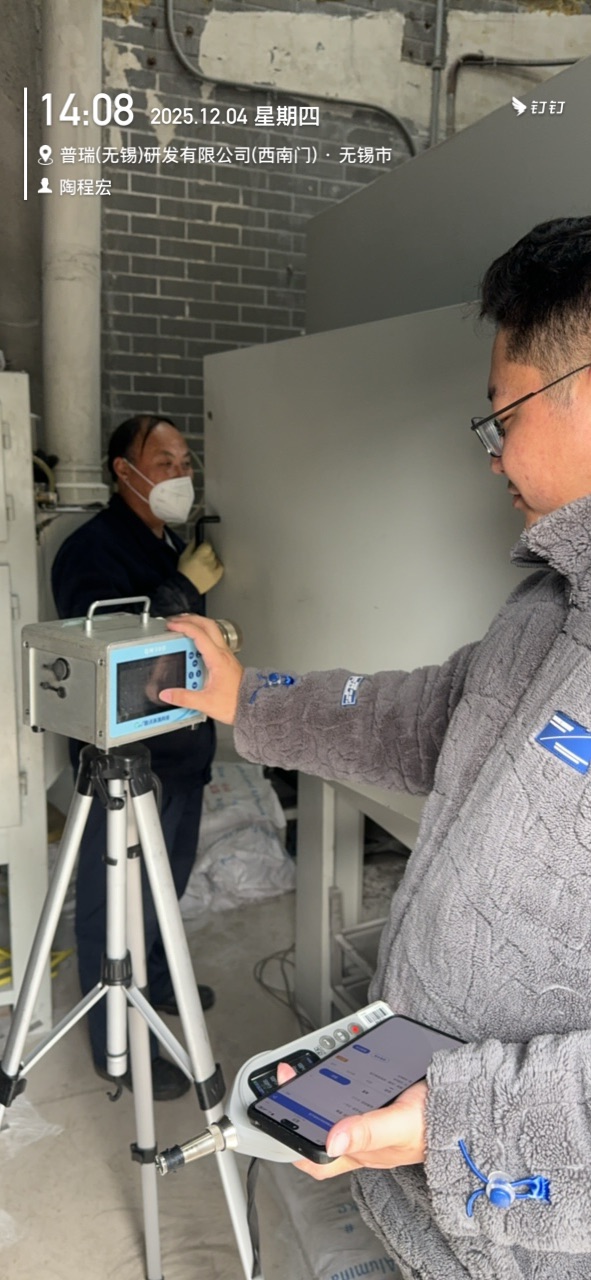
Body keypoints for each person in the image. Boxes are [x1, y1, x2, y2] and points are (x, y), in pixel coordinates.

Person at [156, 217, 591, 1275]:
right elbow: (429, 718)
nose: (492, 455)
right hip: (431, 1205)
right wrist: (249, 696)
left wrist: (462, 1125)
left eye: (503, 416)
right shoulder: (549, 606)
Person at [52, 414, 220, 1102]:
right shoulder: (89, 549)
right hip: (123, 760)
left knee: (165, 882)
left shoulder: (168, 540)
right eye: (165, 461)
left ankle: (153, 977)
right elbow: (109, 649)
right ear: (124, 471)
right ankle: (115, 1041)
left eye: (185, 461)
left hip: (180, 749)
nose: (181, 474)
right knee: (113, 899)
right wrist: (179, 590)